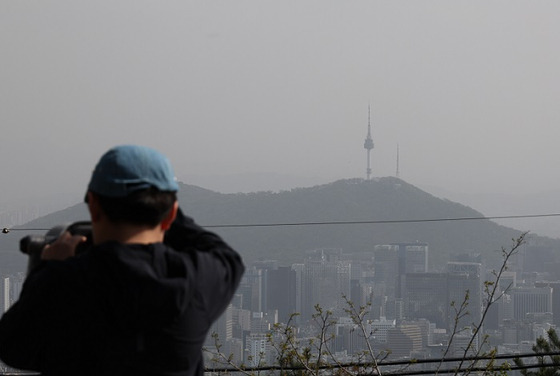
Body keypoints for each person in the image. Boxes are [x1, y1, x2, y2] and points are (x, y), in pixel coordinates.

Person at [0, 145, 245, 376]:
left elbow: (14, 350)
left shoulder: (63, 281)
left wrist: (47, 267)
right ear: (170, 214)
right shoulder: (195, 279)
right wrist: (166, 207)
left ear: (94, 206)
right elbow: (226, 255)